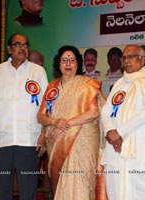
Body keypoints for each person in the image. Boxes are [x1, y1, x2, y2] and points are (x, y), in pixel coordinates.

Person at [0, 33, 48, 200]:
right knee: (2, 189)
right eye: (18, 44)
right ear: (9, 49)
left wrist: (43, 134)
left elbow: (46, 106)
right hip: (3, 140)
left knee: (28, 190)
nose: (22, 48)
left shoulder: (38, 72)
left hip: (29, 140)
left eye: (26, 45)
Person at [37, 45, 101, 199]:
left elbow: (94, 112)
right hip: (57, 143)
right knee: (61, 188)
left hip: (82, 142)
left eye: (72, 60)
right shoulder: (52, 87)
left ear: (78, 64)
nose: (68, 64)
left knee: (82, 185)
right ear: (58, 63)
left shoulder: (87, 84)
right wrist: (54, 122)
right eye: (64, 60)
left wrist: (65, 125)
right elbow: (40, 116)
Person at [101, 44, 145, 200]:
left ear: (141, 59)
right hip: (115, 150)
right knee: (115, 191)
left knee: (141, 193)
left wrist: (119, 132)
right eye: (124, 57)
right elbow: (106, 110)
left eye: (131, 57)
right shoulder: (120, 83)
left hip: (140, 152)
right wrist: (110, 131)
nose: (126, 61)